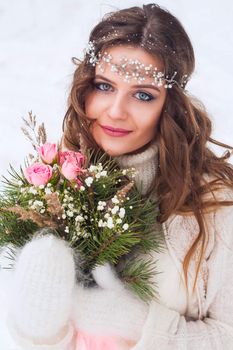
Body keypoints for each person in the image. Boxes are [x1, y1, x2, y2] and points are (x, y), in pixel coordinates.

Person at [1, 3, 233, 350]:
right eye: (104, 86)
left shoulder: (214, 202)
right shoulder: (54, 187)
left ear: (169, 104)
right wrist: (39, 327)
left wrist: (140, 324)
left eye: (142, 94)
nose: (115, 111)